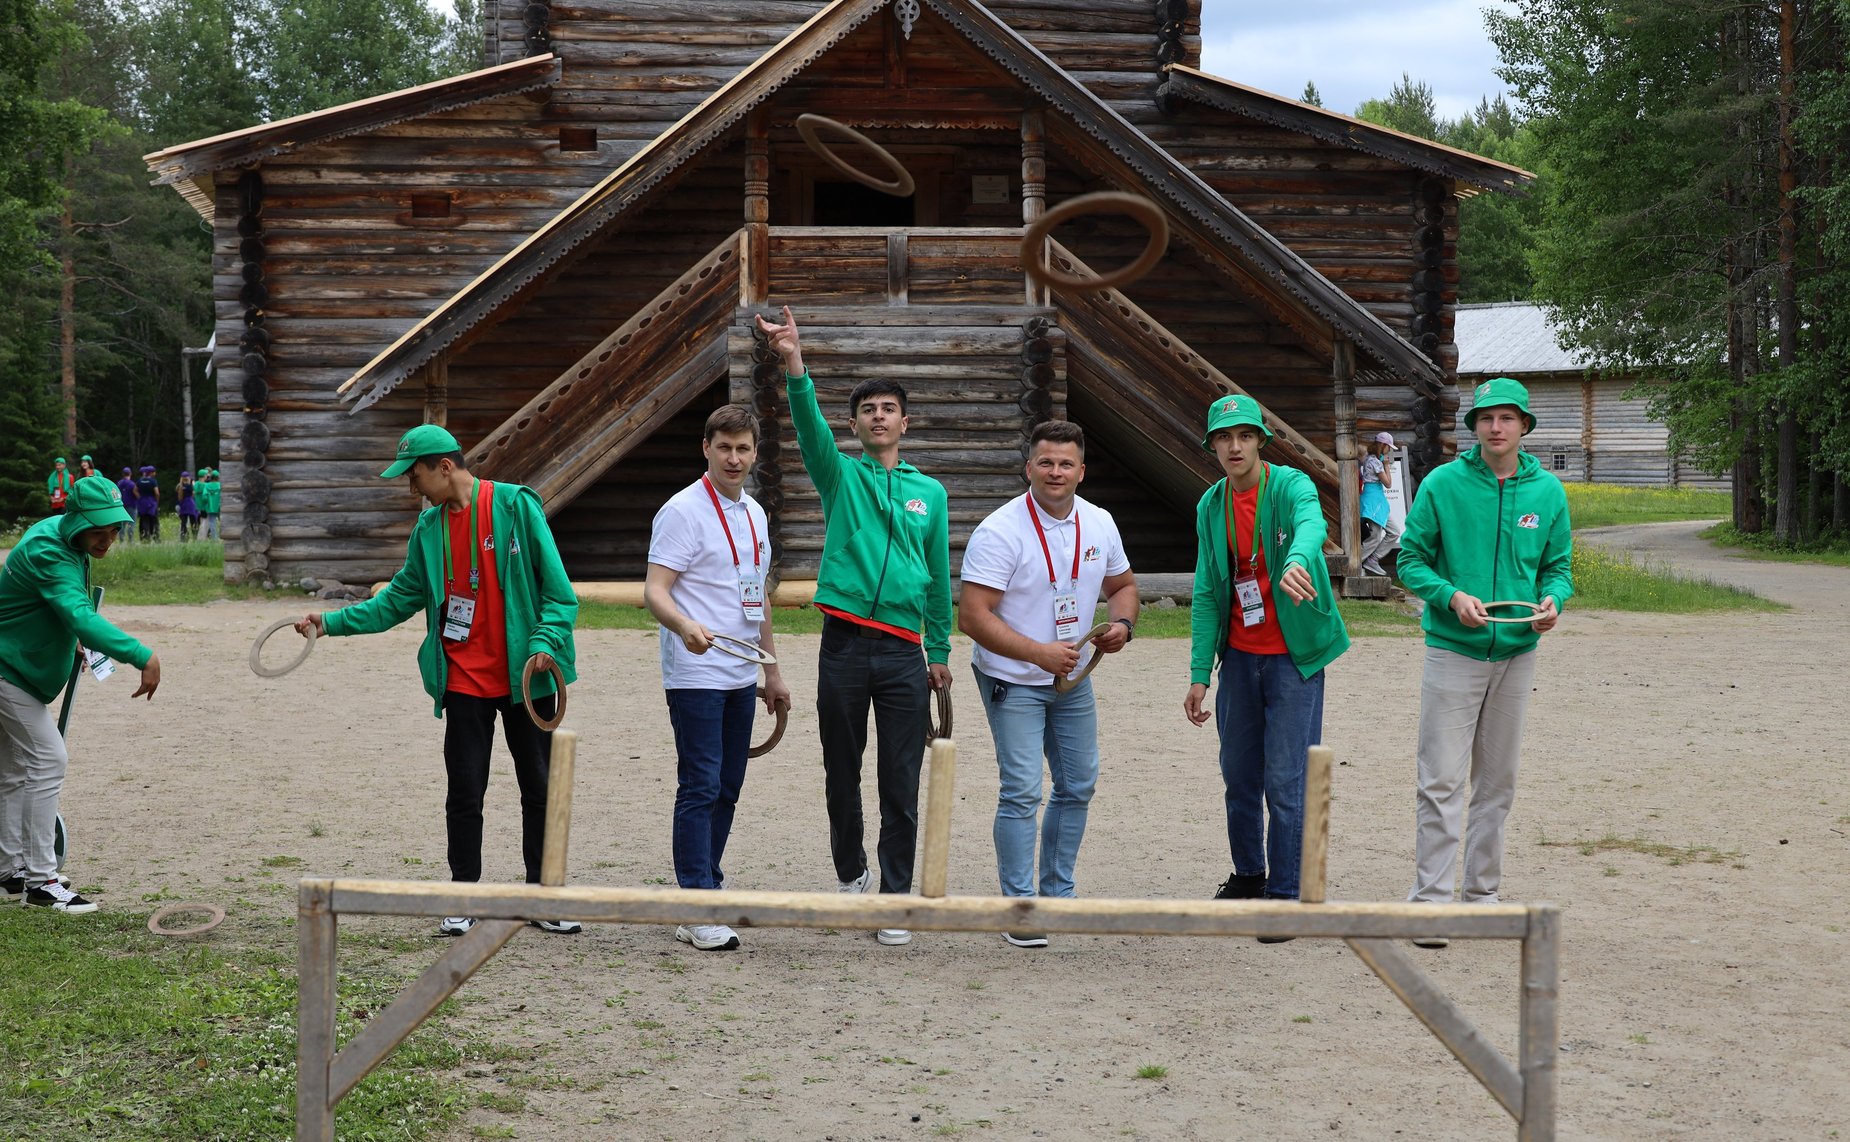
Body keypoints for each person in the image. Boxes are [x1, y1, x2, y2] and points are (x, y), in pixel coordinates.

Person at [294, 424, 582, 938]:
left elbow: (560, 596)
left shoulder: (516, 507)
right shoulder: (428, 530)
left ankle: (546, 894)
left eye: (415, 475)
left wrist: (542, 645)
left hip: (527, 680)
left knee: (539, 787)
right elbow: (397, 600)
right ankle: (462, 894)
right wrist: (329, 622)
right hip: (464, 681)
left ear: (444, 467)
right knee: (464, 790)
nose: (412, 487)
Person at [754, 305, 952, 948]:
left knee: (901, 780)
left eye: (888, 408)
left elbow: (938, 576)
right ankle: (851, 876)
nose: (878, 417)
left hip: (903, 653)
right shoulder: (839, 475)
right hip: (842, 646)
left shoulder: (931, 492)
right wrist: (794, 363)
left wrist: (940, 648)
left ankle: (894, 901)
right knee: (842, 769)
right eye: (867, 410)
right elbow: (807, 428)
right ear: (856, 423)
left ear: (904, 421)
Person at [1398, 377, 1573, 947]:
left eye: (1507, 418)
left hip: (1517, 653)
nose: (1496, 427)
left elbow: (1559, 566)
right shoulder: (1444, 485)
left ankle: (1481, 896)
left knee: (1498, 780)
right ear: (1473, 427)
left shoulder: (1547, 492)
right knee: (1442, 779)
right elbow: (1410, 559)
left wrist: (1553, 603)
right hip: (1454, 650)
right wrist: (1450, 596)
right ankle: (1430, 904)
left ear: (1525, 427)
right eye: (1486, 418)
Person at [957, 420, 1137, 948]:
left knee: (1078, 783)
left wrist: (1122, 625)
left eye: (1065, 464)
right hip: (1012, 678)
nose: (1055, 472)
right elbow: (972, 615)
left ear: (1082, 471)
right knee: (1021, 791)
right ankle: (1021, 906)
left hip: (1071, 678)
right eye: (1045, 462)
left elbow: (1123, 585)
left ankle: (1058, 893)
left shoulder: (1099, 523)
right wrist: (1037, 652)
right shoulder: (1000, 530)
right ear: (1028, 467)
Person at [1183, 394, 1351, 938]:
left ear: (1260, 441)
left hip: (1294, 658)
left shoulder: (1290, 486)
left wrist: (1299, 560)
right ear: (1213, 446)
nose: (1234, 446)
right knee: (1238, 777)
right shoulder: (1211, 505)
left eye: (1245, 436)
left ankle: (1285, 894)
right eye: (1224, 438)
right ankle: (1249, 876)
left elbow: (1310, 525)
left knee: (1286, 778)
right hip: (1239, 660)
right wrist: (1199, 673)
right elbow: (1209, 590)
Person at [643, 404, 792, 952]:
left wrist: (771, 670)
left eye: (744, 448)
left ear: (754, 453)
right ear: (705, 448)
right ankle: (695, 902)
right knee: (701, 784)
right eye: (724, 447)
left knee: (728, 785)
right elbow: (655, 591)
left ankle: (708, 883)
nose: (734, 458)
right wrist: (684, 625)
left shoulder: (754, 513)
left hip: (740, 672)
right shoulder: (681, 511)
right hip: (695, 671)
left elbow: (759, 600)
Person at [0, 475, 162, 913]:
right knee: (48, 757)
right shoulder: (50, 550)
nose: (107, 539)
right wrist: (141, 654)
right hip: (5, 671)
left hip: (15, 667)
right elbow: (78, 611)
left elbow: (61, 608)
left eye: (113, 530)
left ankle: (10, 869)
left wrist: (72, 636)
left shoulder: (64, 539)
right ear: (74, 520)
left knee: (15, 767)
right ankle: (40, 881)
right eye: (98, 530)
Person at [1359, 431, 1397, 576]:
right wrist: (1387, 465)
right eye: (1389, 447)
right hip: (1373, 500)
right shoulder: (1375, 462)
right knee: (1374, 536)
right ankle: (1356, 564)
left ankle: (1373, 560)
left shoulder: (1372, 459)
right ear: (1382, 445)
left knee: (1394, 532)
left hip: (1378, 501)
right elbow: (1388, 483)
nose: (1390, 450)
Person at [134, 466, 160, 541]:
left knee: (144, 520)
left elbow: (135, 490)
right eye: (154, 472)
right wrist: (156, 502)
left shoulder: (140, 481)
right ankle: (156, 538)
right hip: (151, 503)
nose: (155, 473)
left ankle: (145, 538)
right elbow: (157, 493)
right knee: (154, 520)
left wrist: (139, 497)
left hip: (142, 503)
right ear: (151, 473)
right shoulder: (153, 481)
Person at [175, 472, 200, 542]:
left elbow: (178, 496)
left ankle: (183, 538)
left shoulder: (179, 486)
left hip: (183, 505)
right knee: (193, 521)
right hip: (190, 504)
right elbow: (194, 494)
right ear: (188, 477)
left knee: (183, 522)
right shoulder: (191, 485)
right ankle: (195, 537)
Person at [115, 468, 138, 544]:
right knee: (131, 523)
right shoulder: (132, 484)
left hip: (121, 506)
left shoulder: (119, 483)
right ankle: (130, 540)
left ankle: (121, 540)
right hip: (132, 506)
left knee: (122, 524)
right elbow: (136, 494)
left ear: (123, 474)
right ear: (130, 474)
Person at [199, 468, 221, 540]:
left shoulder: (207, 485)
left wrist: (206, 503)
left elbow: (204, 497)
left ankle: (214, 538)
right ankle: (224, 535)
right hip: (220, 506)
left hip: (210, 506)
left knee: (212, 521)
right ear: (218, 477)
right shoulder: (220, 485)